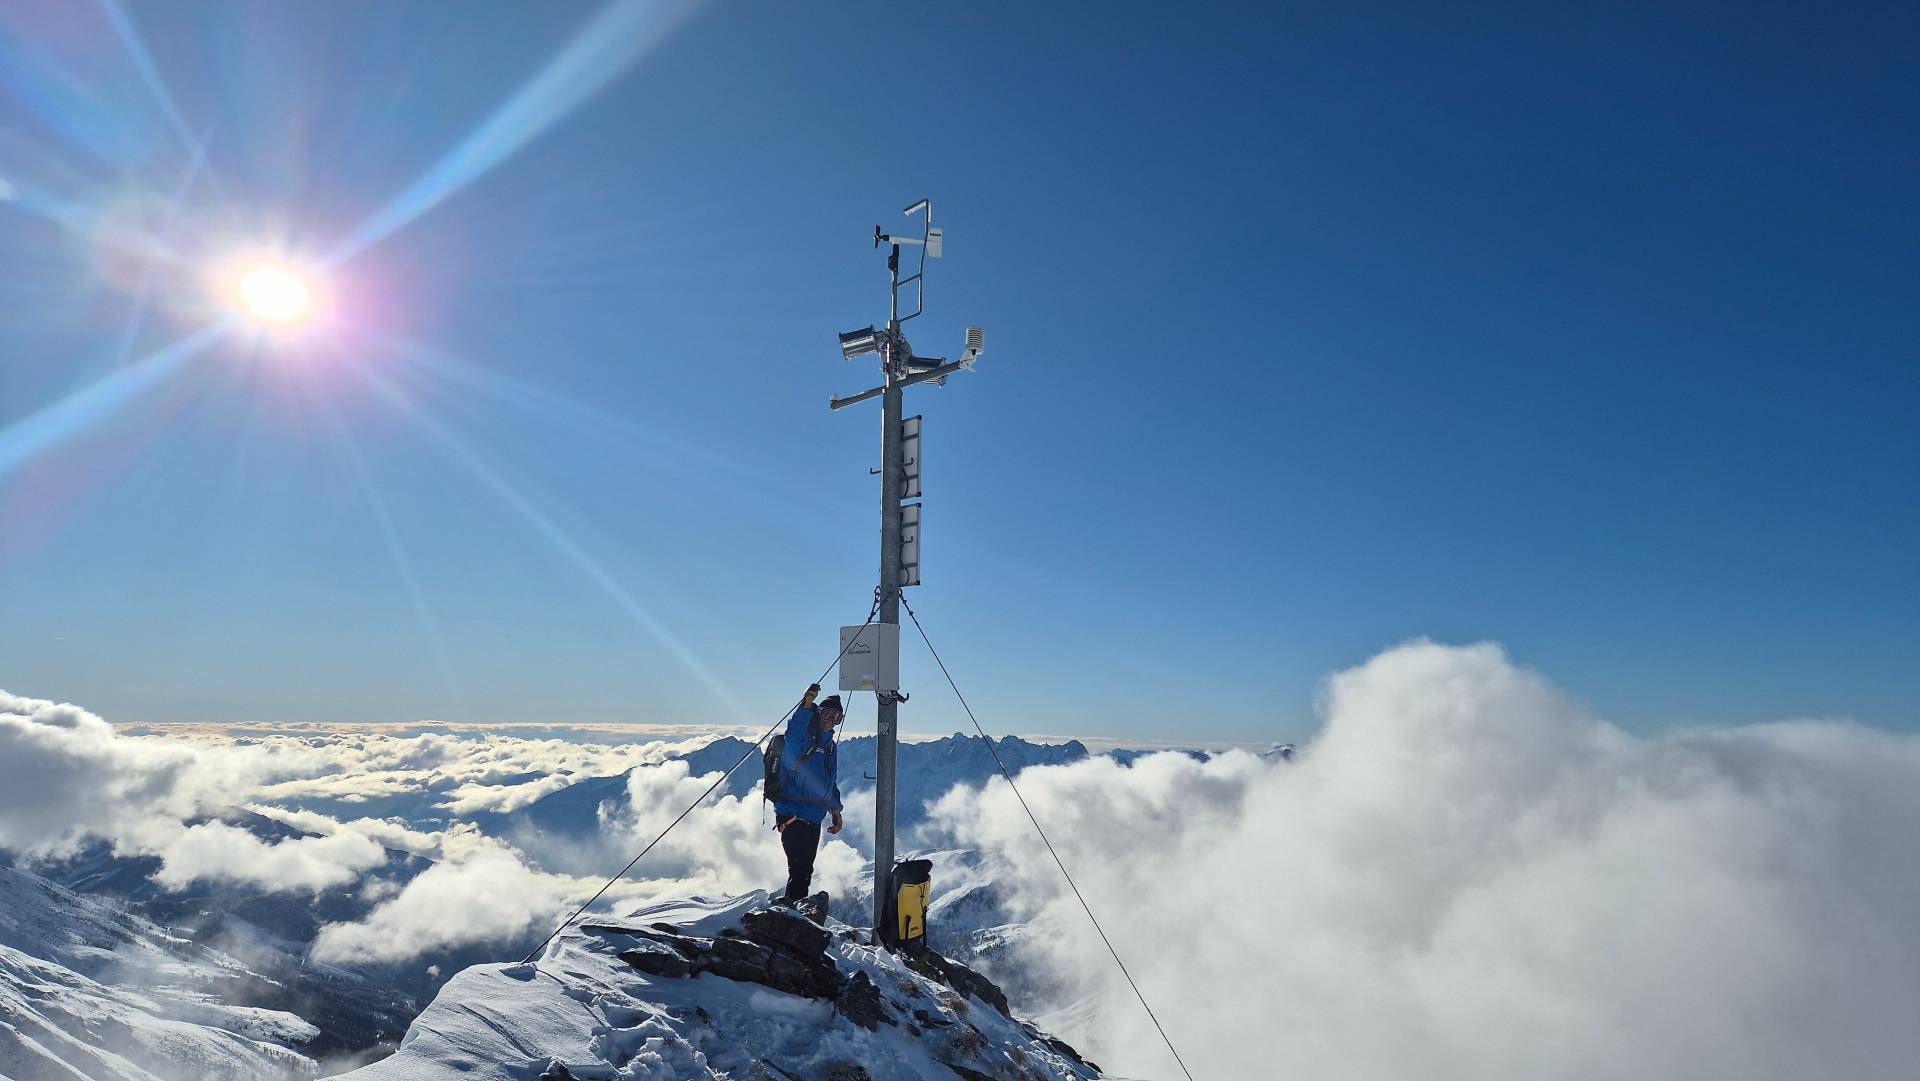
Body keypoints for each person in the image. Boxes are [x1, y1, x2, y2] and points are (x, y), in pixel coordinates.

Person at [772, 683, 844, 905]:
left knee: (805, 872)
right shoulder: (802, 740)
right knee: (799, 871)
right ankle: (790, 919)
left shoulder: (830, 747)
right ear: (818, 713)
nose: (830, 720)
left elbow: (829, 783)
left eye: (836, 717)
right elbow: (793, 730)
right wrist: (806, 705)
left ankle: (794, 916)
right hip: (792, 814)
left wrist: (836, 810)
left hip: (813, 818)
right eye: (827, 713)